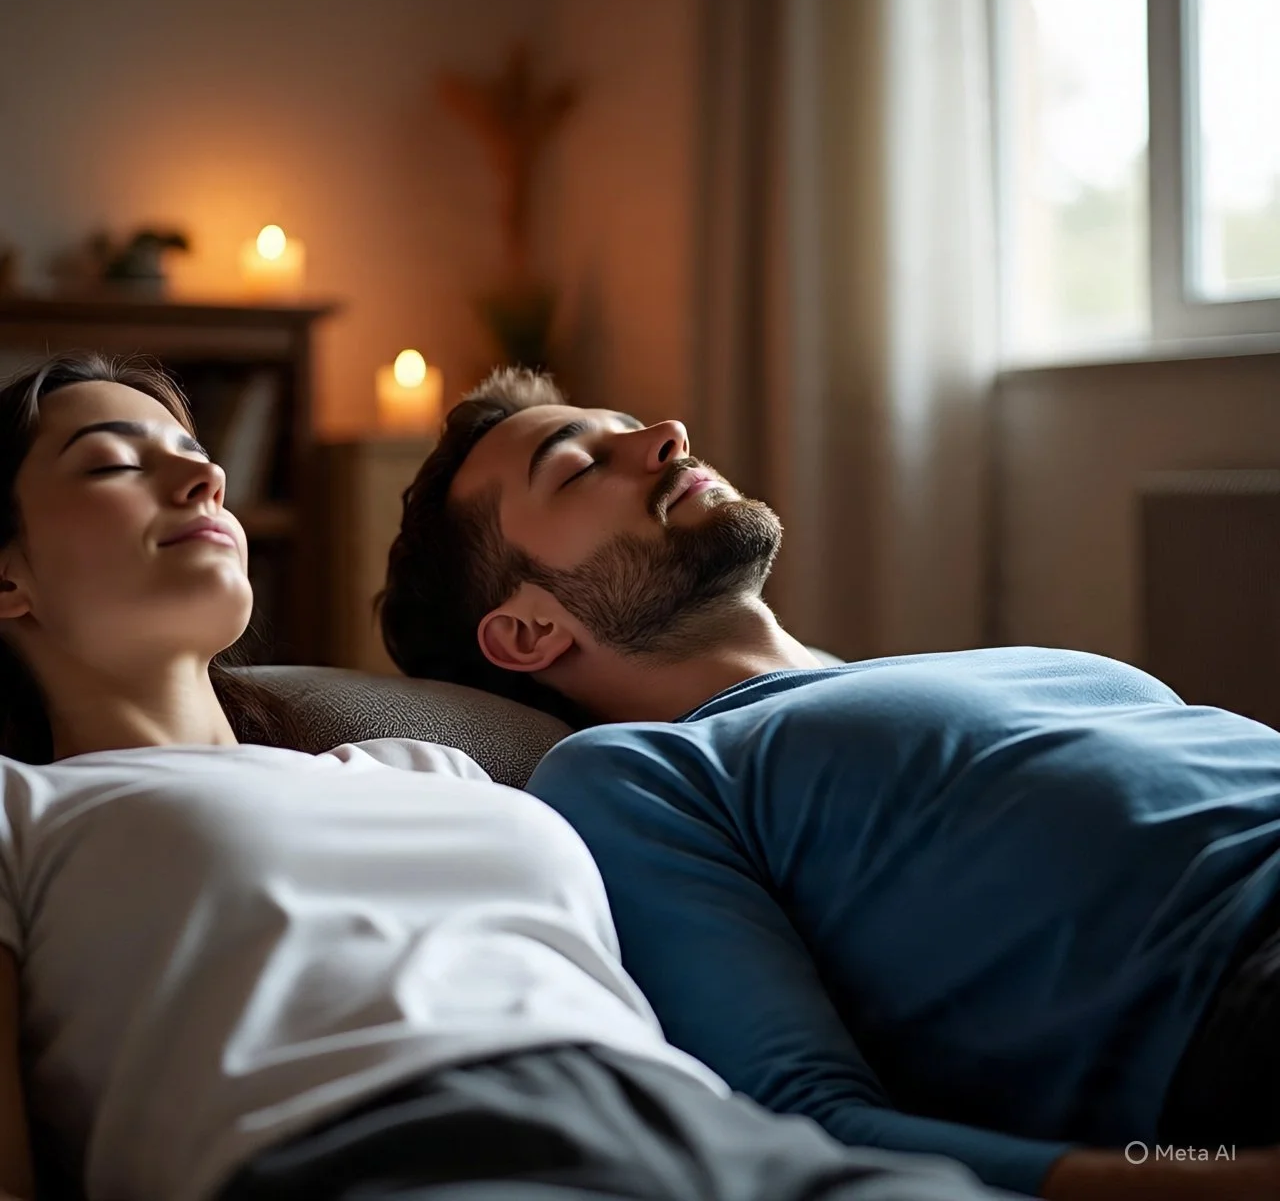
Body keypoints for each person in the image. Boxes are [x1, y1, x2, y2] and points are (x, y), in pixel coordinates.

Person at [0, 353, 1018, 1201]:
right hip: (389, 1151)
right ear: (9, 576)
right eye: (112, 466)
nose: (202, 481)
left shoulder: (429, 765)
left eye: (195, 455)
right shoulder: (24, 810)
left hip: (713, 1135)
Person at [377, 365, 1280, 1201]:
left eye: (629, 427)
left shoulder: (938, 674)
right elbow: (808, 1118)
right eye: (579, 469)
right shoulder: (641, 772)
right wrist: (1204, 1182)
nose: (667, 435)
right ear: (529, 632)